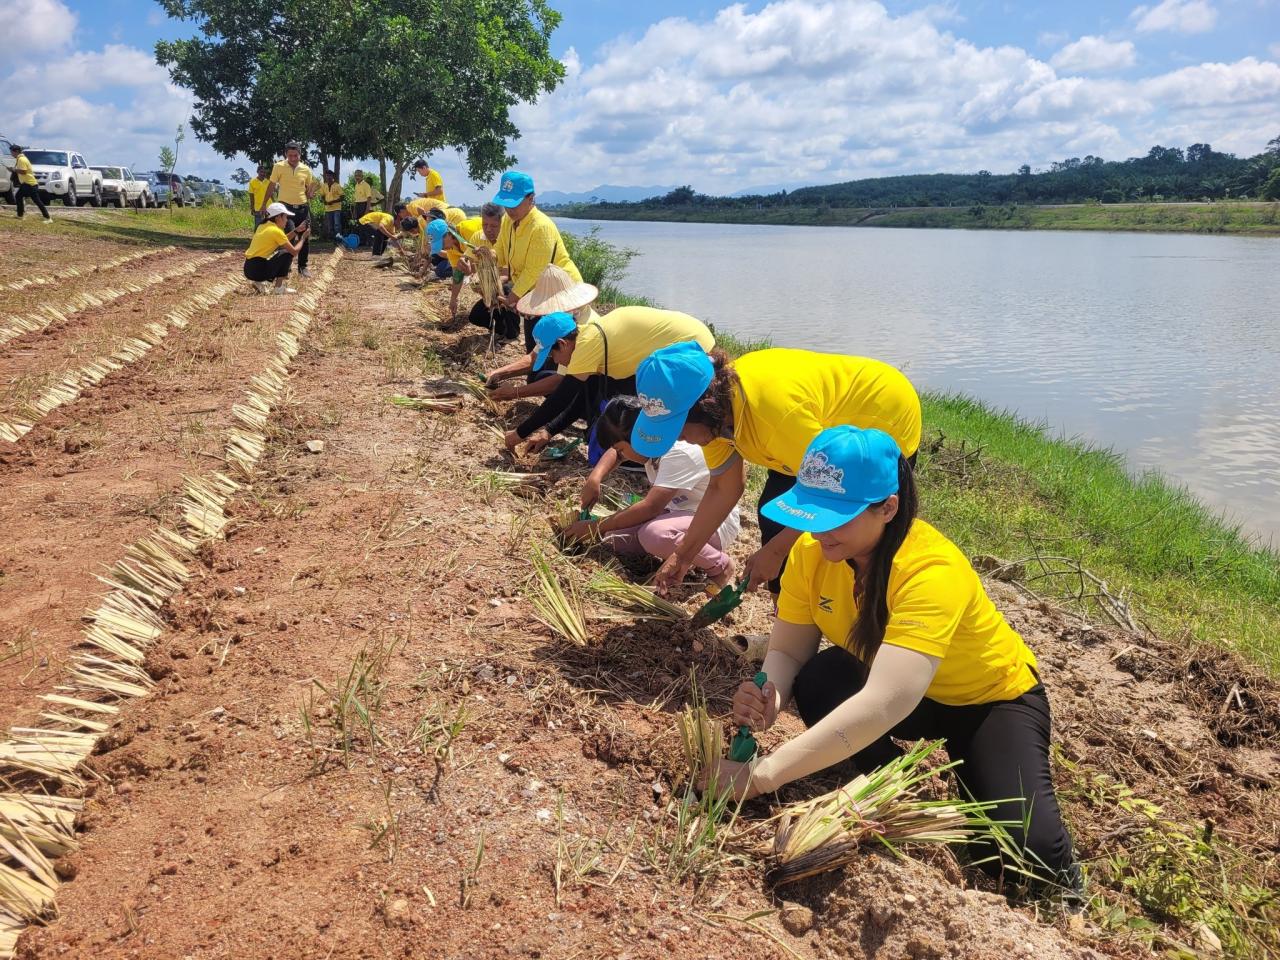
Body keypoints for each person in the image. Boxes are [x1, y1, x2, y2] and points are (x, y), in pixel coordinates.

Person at [709, 425, 1080, 893]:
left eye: (836, 517)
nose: (818, 529)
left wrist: (762, 776)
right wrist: (769, 693)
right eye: (811, 514)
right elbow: (788, 649)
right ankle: (888, 781)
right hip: (898, 686)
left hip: (986, 701)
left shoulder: (930, 570)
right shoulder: (812, 551)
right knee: (820, 677)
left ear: (887, 508)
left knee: (1024, 854)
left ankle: (1063, 877)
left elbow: (887, 700)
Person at [635, 346, 921, 596]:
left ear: (704, 409)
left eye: (679, 430)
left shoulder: (774, 417)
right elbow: (724, 487)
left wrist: (774, 551)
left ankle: (864, 606)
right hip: (806, 440)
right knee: (772, 516)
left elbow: (827, 494)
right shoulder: (718, 416)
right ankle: (785, 621)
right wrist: (684, 555)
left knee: (858, 538)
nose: (679, 440)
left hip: (881, 414)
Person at [562, 396, 741, 590]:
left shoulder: (678, 452)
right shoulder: (652, 444)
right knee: (614, 539)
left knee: (654, 535)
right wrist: (594, 479)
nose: (621, 456)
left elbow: (651, 507)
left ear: (639, 438)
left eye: (622, 450)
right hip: (677, 515)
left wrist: (594, 527)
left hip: (713, 522)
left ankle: (720, 565)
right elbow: (615, 451)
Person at [503, 307, 715, 455]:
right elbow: (582, 397)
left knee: (668, 407)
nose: (554, 361)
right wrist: (548, 431)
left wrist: (519, 433)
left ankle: (665, 455)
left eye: (552, 355)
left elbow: (560, 399)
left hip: (690, 346)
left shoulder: (587, 346)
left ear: (563, 343)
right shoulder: (590, 338)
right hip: (686, 338)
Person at [491, 170, 582, 318]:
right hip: (536, 293)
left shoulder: (541, 227)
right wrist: (487, 256)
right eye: (505, 204)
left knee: (557, 337)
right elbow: (500, 250)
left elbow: (533, 270)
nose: (509, 209)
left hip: (560, 292)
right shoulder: (508, 220)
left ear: (531, 198)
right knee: (535, 338)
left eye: (514, 204)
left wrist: (512, 298)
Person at [267, 141, 315, 278]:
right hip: (286, 208)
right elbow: (271, 186)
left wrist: (310, 194)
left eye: (295, 155)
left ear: (300, 154)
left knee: (305, 237)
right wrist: (265, 204)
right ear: (285, 155)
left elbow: (308, 190)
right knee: (289, 236)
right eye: (290, 156)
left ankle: (303, 267)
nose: (293, 158)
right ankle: (285, 267)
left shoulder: (306, 170)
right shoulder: (278, 167)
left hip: (303, 208)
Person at [243, 202, 309, 294]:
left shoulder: (263, 226)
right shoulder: (276, 231)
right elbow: (294, 252)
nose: (287, 220)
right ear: (278, 217)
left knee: (283, 252)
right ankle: (278, 288)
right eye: (285, 217)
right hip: (258, 270)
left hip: (248, 268)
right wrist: (303, 238)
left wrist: (296, 231)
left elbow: (282, 240)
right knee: (287, 253)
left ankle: (260, 283)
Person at [459, 203, 506, 327]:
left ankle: (510, 331)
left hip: (506, 286)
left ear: (503, 223)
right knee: (475, 317)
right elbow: (468, 258)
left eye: (494, 226)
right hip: (488, 288)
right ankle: (498, 328)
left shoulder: (507, 239)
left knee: (505, 297)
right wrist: (465, 262)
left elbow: (509, 272)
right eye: (485, 224)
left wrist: (493, 286)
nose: (489, 229)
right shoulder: (477, 237)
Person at [9, 144, 52, 223]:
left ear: (17, 151)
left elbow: (24, 171)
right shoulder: (21, 158)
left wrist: (14, 169)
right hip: (27, 184)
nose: (11, 154)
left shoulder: (21, 159)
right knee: (19, 196)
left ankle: (48, 218)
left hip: (30, 184)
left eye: (12, 152)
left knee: (37, 201)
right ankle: (20, 215)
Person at [319, 170, 344, 238]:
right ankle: (333, 239)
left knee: (337, 224)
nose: (328, 177)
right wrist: (324, 201)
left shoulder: (337, 186)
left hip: (337, 208)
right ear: (325, 177)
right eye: (327, 176)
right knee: (330, 225)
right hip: (328, 208)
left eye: (330, 175)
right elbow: (322, 195)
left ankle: (338, 238)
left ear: (333, 176)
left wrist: (332, 201)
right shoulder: (324, 186)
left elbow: (342, 197)